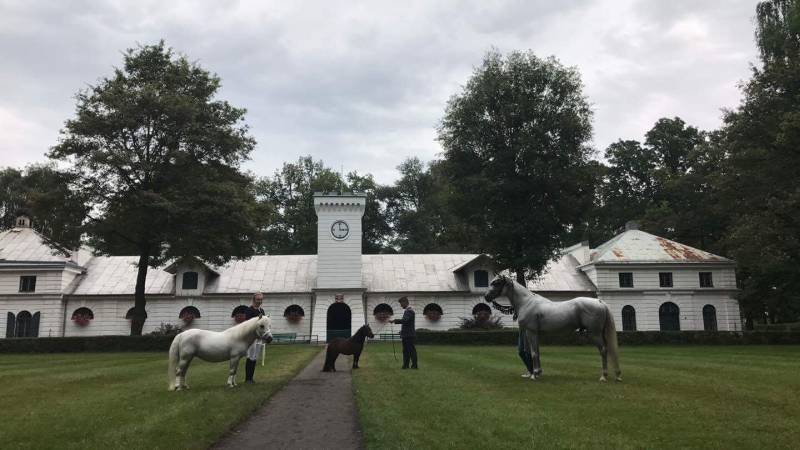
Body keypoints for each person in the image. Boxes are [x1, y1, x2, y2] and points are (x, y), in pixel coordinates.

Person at [490, 299, 533, 378]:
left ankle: (532, 372)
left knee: (527, 351)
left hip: (527, 330)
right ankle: (530, 370)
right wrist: (496, 304)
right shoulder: (517, 306)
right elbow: (506, 309)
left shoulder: (526, 306)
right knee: (521, 351)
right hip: (521, 330)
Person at [244, 292, 266, 383]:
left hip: (259, 338)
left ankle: (251, 378)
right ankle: (247, 378)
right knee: (250, 357)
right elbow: (248, 324)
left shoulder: (262, 311)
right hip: (251, 338)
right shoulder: (249, 310)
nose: (259, 301)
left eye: (261, 299)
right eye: (258, 299)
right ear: (254, 299)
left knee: (255, 357)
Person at [391, 296, 417, 369]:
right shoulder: (407, 311)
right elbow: (406, 323)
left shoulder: (409, 311)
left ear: (405, 302)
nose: (401, 305)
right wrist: (402, 331)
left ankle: (414, 366)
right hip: (406, 335)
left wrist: (395, 321)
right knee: (405, 351)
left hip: (409, 335)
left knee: (411, 351)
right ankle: (405, 365)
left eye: (401, 303)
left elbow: (405, 320)